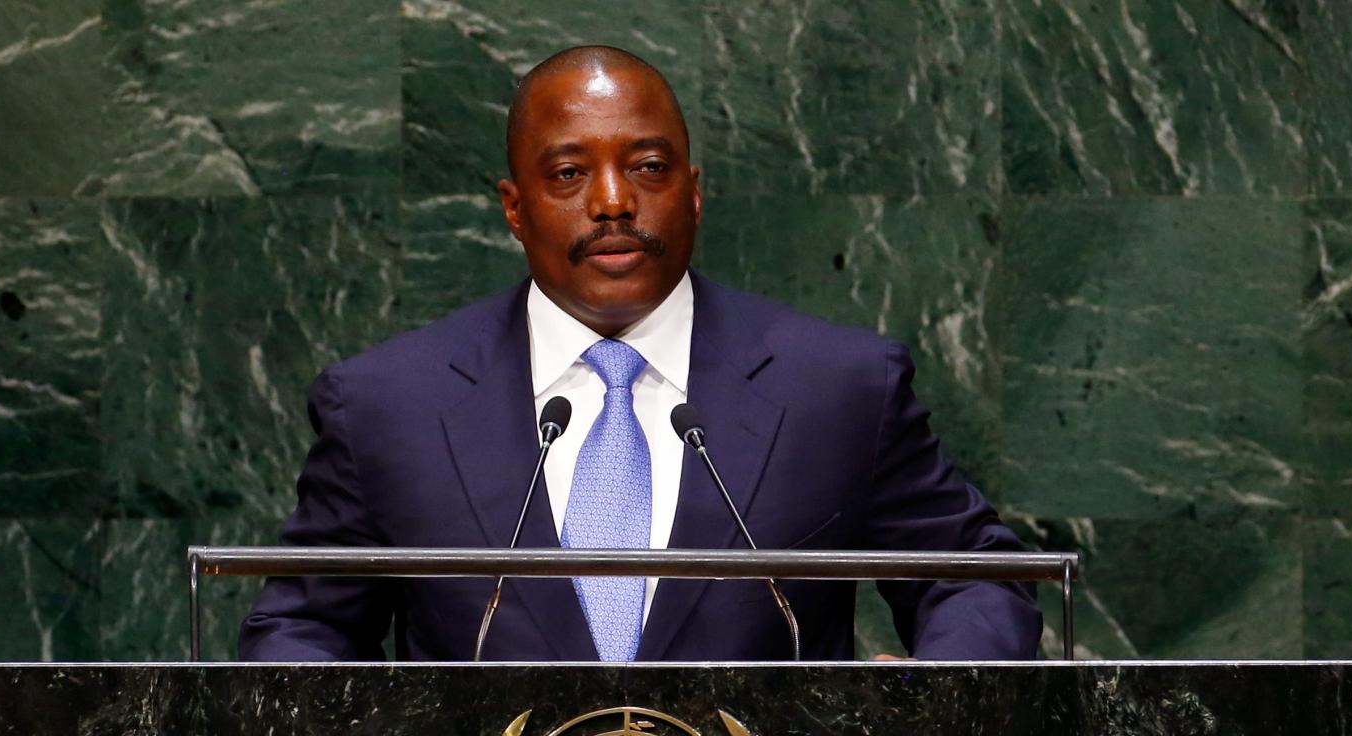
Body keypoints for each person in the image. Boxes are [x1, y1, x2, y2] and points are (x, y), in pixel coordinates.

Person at [240, 45, 1041, 662]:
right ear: (515, 210)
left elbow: (976, 575)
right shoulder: (387, 405)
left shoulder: (837, 387)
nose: (615, 200)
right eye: (568, 173)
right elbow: (303, 627)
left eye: (648, 167)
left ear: (693, 191)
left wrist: (941, 695)